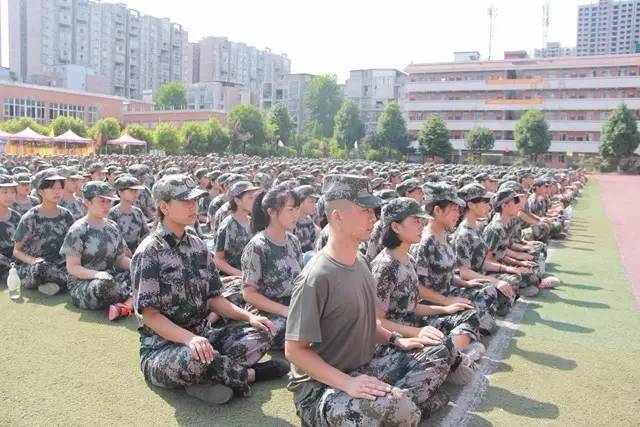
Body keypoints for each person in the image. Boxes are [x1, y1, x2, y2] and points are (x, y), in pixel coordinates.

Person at [285, 174, 453, 427]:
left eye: (373, 211)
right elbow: (294, 351)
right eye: (364, 210)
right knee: (398, 408)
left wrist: (396, 340)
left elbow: (366, 321)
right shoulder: (316, 277)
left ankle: (398, 403)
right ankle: (402, 405)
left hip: (364, 366)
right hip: (321, 387)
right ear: (338, 216)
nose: (373, 218)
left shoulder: (362, 262)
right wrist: (347, 383)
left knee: (440, 351)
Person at [131, 174, 288, 405]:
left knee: (264, 332)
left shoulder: (197, 245)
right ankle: (249, 375)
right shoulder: (149, 252)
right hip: (163, 349)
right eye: (185, 201)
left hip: (205, 337)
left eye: (194, 201)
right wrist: (189, 339)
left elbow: (214, 299)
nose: (193, 206)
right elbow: (150, 315)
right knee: (195, 358)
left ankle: (206, 379)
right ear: (164, 207)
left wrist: (250, 317)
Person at [371, 197, 478, 384]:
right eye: (415, 221)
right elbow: (377, 321)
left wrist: (444, 309)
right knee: (440, 348)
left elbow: (413, 306)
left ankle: (451, 359)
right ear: (396, 227)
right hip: (394, 338)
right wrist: (417, 332)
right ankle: (452, 358)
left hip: (413, 323)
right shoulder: (384, 266)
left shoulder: (407, 259)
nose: (421, 226)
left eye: (421, 221)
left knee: (467, 314)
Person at [411, 183, 499, 333]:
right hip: (432, 305)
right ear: (437, 210)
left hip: (447, 294)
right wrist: (446, 301)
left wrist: (465, 283)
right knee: (472, 316)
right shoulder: (425, 242)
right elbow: (417, 287)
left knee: (487, 290)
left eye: (458, 210)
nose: (457, 214)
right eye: (453, 209)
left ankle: (471, 330)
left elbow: (446, 274)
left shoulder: (443, 235)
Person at [60, 181, 133, 320]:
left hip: (111, 277)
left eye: (109, 201)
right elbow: (72, 267)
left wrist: (136, 266)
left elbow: (120, 259)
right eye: (101, 201)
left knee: (145, 275)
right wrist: (97, 274)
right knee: (104, 285)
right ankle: (135, 300)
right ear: (87, 202)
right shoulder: (78, 229)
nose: (106, 205)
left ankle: (125, 307)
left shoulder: (112, 226)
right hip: (85, 284)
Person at [241, 184, 302, 351]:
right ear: (272, 212)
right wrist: (284, 310)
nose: (296, 214)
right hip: (268, 311)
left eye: (297, 209)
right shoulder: (257, 247)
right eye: (291, 209)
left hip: (292, 307)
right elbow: (249, 294)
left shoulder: (293, 242)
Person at [454, 183, 521, 316]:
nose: (489, 206)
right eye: (484, 202)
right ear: (471, 205)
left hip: (480, 275)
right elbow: (464, 273)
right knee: (497, 288)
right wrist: (495, 281)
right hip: (467, 281)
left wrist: (507, 269)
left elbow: (482, 261)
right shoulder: (464, 233)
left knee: (513, 277)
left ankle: (497, 304)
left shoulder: (476, 227)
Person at [13, 169, 75, 295]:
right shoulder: (30, 217)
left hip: (60, 264)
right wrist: (33, 261)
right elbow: (16, 250)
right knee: (41, 269)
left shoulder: (67, 215)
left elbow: (72, 246)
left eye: (60, 187)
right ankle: (62, 282)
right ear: (40, 191)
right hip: (35, 265)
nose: (57, 191)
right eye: (52, 188)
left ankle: (55, 283)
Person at [482, 188, 541, 297]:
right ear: (504, 206)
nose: (519, 205)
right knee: (521, 278)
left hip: (500, 265)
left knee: (531, 272)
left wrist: (519, 263)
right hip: (489, 271)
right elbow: (487, 261)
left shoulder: (504, 224)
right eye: (515, 202)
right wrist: (513, 268)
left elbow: (501, 253)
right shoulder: (495, 229)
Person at [108, 175, 149, 254]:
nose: (136, 193)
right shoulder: (111, 214)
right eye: (132, 190)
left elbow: (145, 234)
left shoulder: (138, 212)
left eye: (137, 190)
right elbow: (112, 241)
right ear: (120, 192)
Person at [0, 175, 20, 284]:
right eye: (4, 192)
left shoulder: (17, 217)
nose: (9, 196)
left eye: (13, 192)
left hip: (14, 261)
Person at [292, 185, 319, 253]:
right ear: (300, 202)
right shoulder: (290, 222)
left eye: (315, 202)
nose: (315, 205)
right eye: (311, 201)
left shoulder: (308, 220)